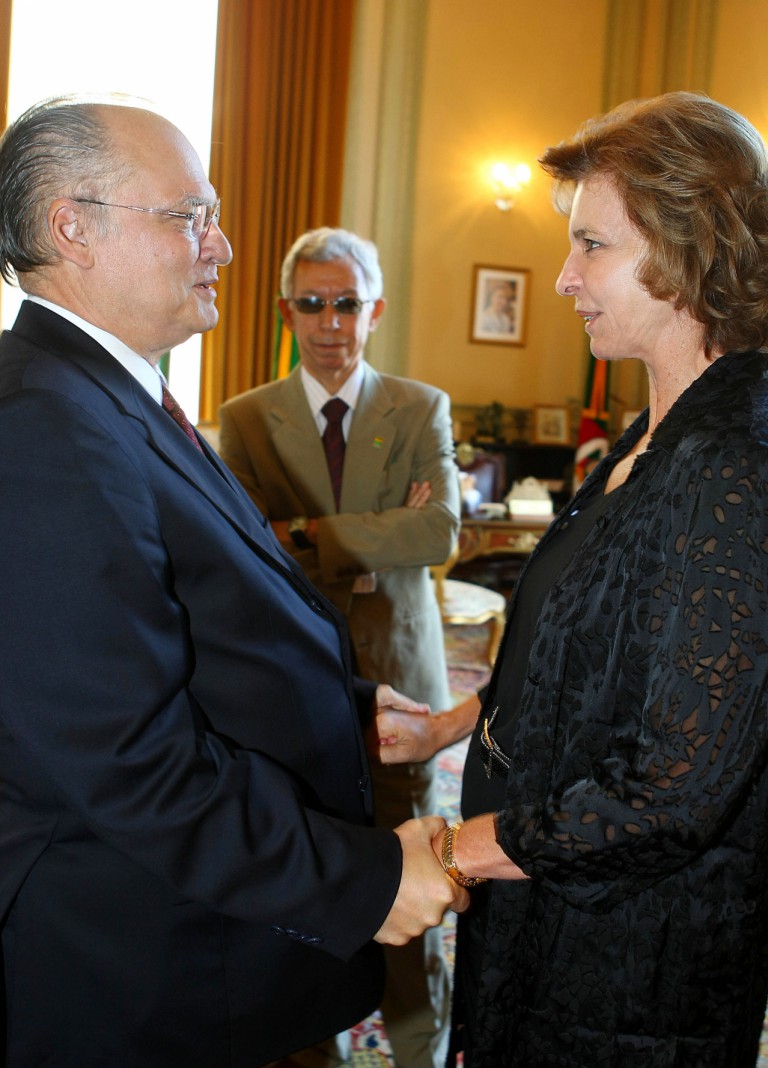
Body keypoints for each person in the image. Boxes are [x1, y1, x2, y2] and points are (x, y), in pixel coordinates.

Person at [0, 96, 469, 1068]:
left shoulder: (106, 392)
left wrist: (344, 705)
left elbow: (174, 631)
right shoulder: (43, 424)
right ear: (71, 229)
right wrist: (359, 881)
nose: (220, 246)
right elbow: (124, 757)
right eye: (190, 216)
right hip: (136, 963)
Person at [375, 91, 768, 1067]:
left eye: (591, 245)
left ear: (689, 249)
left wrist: (452, 852)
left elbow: (672, 794)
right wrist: (450, 725)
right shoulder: (651, 438)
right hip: (546, 912)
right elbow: (583, 660)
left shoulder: (738, 468)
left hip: (630, 969)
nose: (565, 277)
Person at [218, 226, 462, 1068]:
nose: (330, 322)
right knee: (308, 883)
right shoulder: (246, 419)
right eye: (313, 303)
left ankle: (420, 1047)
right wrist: (378, 531)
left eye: (347, 303)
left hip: (400, 684)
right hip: (295, 686)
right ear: (287, 312)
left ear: (375, 311)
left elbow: (438, 531)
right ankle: (315, 1051)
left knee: (413, 870)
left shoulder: (421, 406)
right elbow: (245, 550)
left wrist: (304, 533)